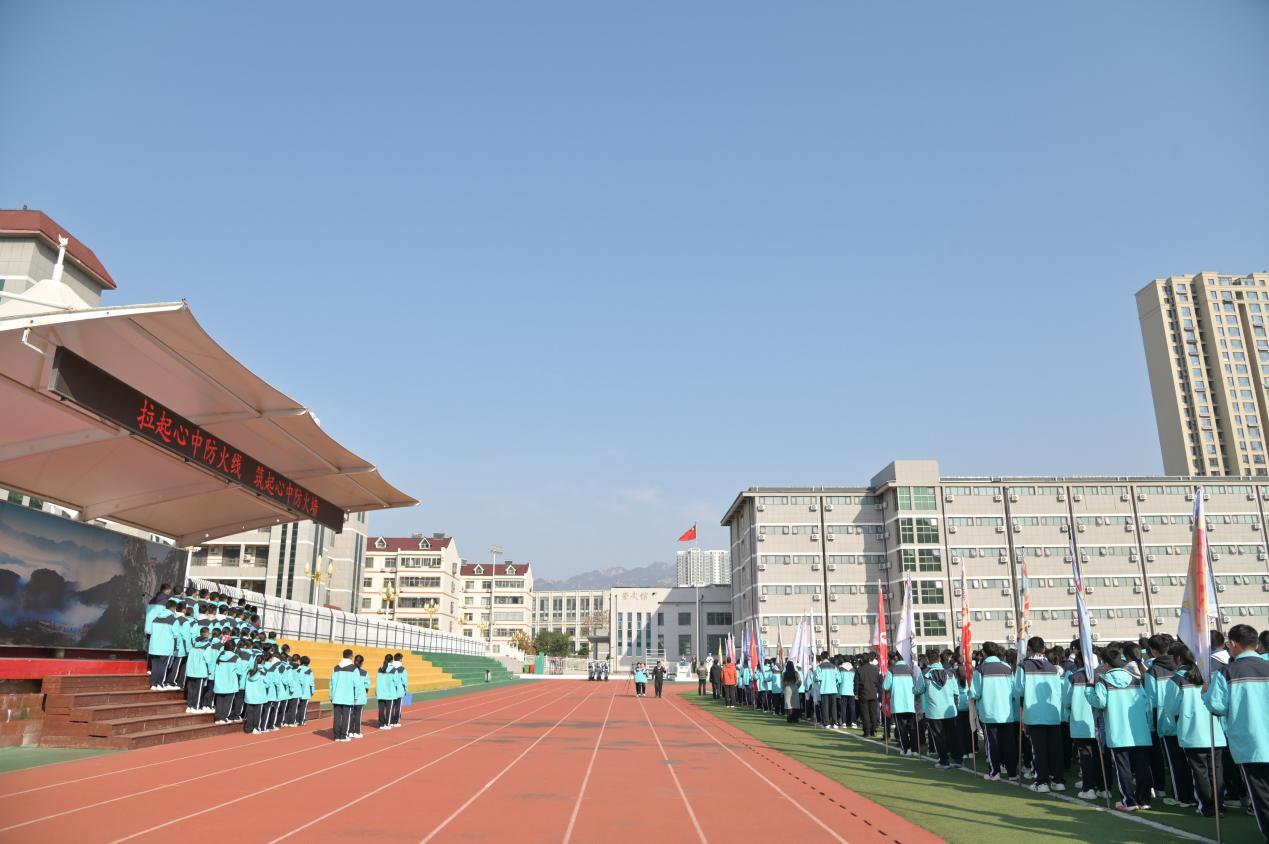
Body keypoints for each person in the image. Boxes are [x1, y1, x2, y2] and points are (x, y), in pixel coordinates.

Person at [1204, 623, 1269, 840]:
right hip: (1256, 742)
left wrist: (1206, 693)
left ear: (1232, 644)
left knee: (1263, 798)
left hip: (1251, 745)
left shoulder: (1227, 672)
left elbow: (1217, 706)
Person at [1092, 644, 1153, 812]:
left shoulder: (1103, 680)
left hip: (1118, 731)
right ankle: (1144, 799)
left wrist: (1089, 692)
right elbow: (1146, 703)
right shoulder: (1135, 679)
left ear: (1106, 663)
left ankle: (1129, 801)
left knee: (1123, 768)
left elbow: (1099, 702)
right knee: (1142, 766)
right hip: (1140, 730)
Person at [1163, 643, 1221, 816]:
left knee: (1199, 772)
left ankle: (1207, 806)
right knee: (1215, 771)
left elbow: (1171, 709)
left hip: (1192, 732)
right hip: (1215, 730)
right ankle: (1218, 805)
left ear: (1179, 659)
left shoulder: (1176, 680)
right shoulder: (1210, 676)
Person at [1145, 637, 1191, 807]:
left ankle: (1180, 795)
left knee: (1174, 761)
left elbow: (1150, 701)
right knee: (1190, 761)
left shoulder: (1153, 671)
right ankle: (1192, 794)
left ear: (1154, 651)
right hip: (1189, 721)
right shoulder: (1188, 668)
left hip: (1166, 721)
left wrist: (1151, 725)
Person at [1015, 636, 1065, 793]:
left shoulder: (1023, 666)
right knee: (1054, 748)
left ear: (1029, 649)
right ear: (1043, 649)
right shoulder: (1053, 667)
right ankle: (1058, 780)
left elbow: (1018, 689)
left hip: (1034, 713)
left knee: (1038, 750)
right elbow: (1059, 690)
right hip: (1053, 713)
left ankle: (1041, 781)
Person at [972, 641, 1019, 782]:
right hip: (1007, 712)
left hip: (989, 712)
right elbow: (1014, 690)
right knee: (1009, 743)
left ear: (984, 653)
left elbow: (975, 693)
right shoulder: (1007, 667)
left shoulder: (980, 669)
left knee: (992, 744)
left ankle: (995, 772)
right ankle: (1012, 773)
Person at [1062, 649, 1105, 800]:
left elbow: (1066, 701)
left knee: (1086, 755)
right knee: (1099, 755)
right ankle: (1102, 787)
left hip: (1080, 722)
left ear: (1079, 661)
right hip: (1098, 722)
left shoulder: (1073, 677)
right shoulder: (1100, 677)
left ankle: (1089, 788)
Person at [917, 650, 960, 769]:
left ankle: (944, 761)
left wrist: (914, 690)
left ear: (928, 660)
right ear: (939, 659)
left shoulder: (924, 674)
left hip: (934, 711)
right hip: (949, 711)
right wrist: (956, 707)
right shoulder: (950, 673)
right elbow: (956, 692)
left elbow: (918, 689)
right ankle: (958, 759)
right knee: (953, 735)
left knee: (938, 736)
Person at [884, 654, 917, 754]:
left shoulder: (891, 670)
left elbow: (886, 686)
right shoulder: (911, 669)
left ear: (896, 658)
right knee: (912, 727)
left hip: (898, 704)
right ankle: (915, 749)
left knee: (902, 728)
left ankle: (906, 749)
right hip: (911, 703)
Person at [147, 599, 181, 690]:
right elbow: (176, 636)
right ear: (173, 608)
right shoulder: (174, 620)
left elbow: (150, 631)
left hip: (154, 647)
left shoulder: (155, 618)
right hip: (166, 648)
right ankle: (160, 684)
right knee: (163, 666)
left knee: (155, 666)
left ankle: (153, 684)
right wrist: (176, 647)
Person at [330, 648, 358, 742]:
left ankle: (336, 736)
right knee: (346, 717)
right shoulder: (354, 669)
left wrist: (331, 696)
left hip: (336, 696)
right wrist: (356, 696)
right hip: (347, 697)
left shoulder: (335, 668)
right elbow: (357, 684)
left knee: (337, 717)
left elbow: (331, 683)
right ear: (351, 656)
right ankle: (343, 736)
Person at [211, 638, 241, 724]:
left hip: (219, 683)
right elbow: (239, 672)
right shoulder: (236, 658)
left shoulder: (219, 655)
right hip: (230, 684)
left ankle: (218, 718)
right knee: (228, 702)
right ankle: (223, 718)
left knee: (219, 701)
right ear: (234, 648)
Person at [185, 626, 213, 713]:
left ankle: (189, 706)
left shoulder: (193, 644)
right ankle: (196, 707)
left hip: (191, 670)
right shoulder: (207, 646)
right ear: (206, 634)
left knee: (191, 689)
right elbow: (208, 660)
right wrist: (209, 671)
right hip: (200, 671)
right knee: (198, 690)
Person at [855, 652, 881, 738]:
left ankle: (867, 731)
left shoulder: (859, 670)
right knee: (873, 713)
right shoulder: (875, 669)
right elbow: (878, 682)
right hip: (873, 693)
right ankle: (873, 730)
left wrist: (856, 693)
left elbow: (856, 683)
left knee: (865, 713)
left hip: (863, 693)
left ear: (862, 660)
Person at [243, 656, 269, 734]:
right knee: (257, 713)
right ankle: (255, 728)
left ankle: (248, 729)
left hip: (250, 695)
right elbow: (267, 683)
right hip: (259, 695)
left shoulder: (250, 670)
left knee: (250, 713)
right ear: (263, 661)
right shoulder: (264, 670)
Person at [816, 652, 840, 729]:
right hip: (833, 689)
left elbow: (818, 678)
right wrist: (835, 685)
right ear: (828, 657)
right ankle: (835, 722)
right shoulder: (834, 666)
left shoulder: (819, 667)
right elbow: (838, 679)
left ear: (821, 657)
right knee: (833, 707)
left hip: (824, 689)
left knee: (825, 707)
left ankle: (826, 723)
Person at [351, 654, 369, 739]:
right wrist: (364, 693)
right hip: (360, 698)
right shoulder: (364, 673)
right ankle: (357, 732)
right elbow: (367, 686)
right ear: (362, 663)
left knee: (350, 715)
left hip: (350, 697)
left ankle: (350, 731)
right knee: (358, 715)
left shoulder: (350, 671)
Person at [376, 655, 396, 729]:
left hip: (381, 692)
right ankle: (388, 724)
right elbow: (396, 682)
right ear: (392, 660)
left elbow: (378, 680)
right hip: (390, 693)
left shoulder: (380, 669)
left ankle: (381, 724)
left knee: (381, 710)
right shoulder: (393, 669)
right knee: (389, 710)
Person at [296, 655, 314, 726]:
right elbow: (311, 682)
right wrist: (312, 691)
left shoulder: (297, 669)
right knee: (303, 707)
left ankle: (296, 720)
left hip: (297, 691)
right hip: (306, 692)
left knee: (297, 706)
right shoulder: (309, 670)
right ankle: (302, 721)